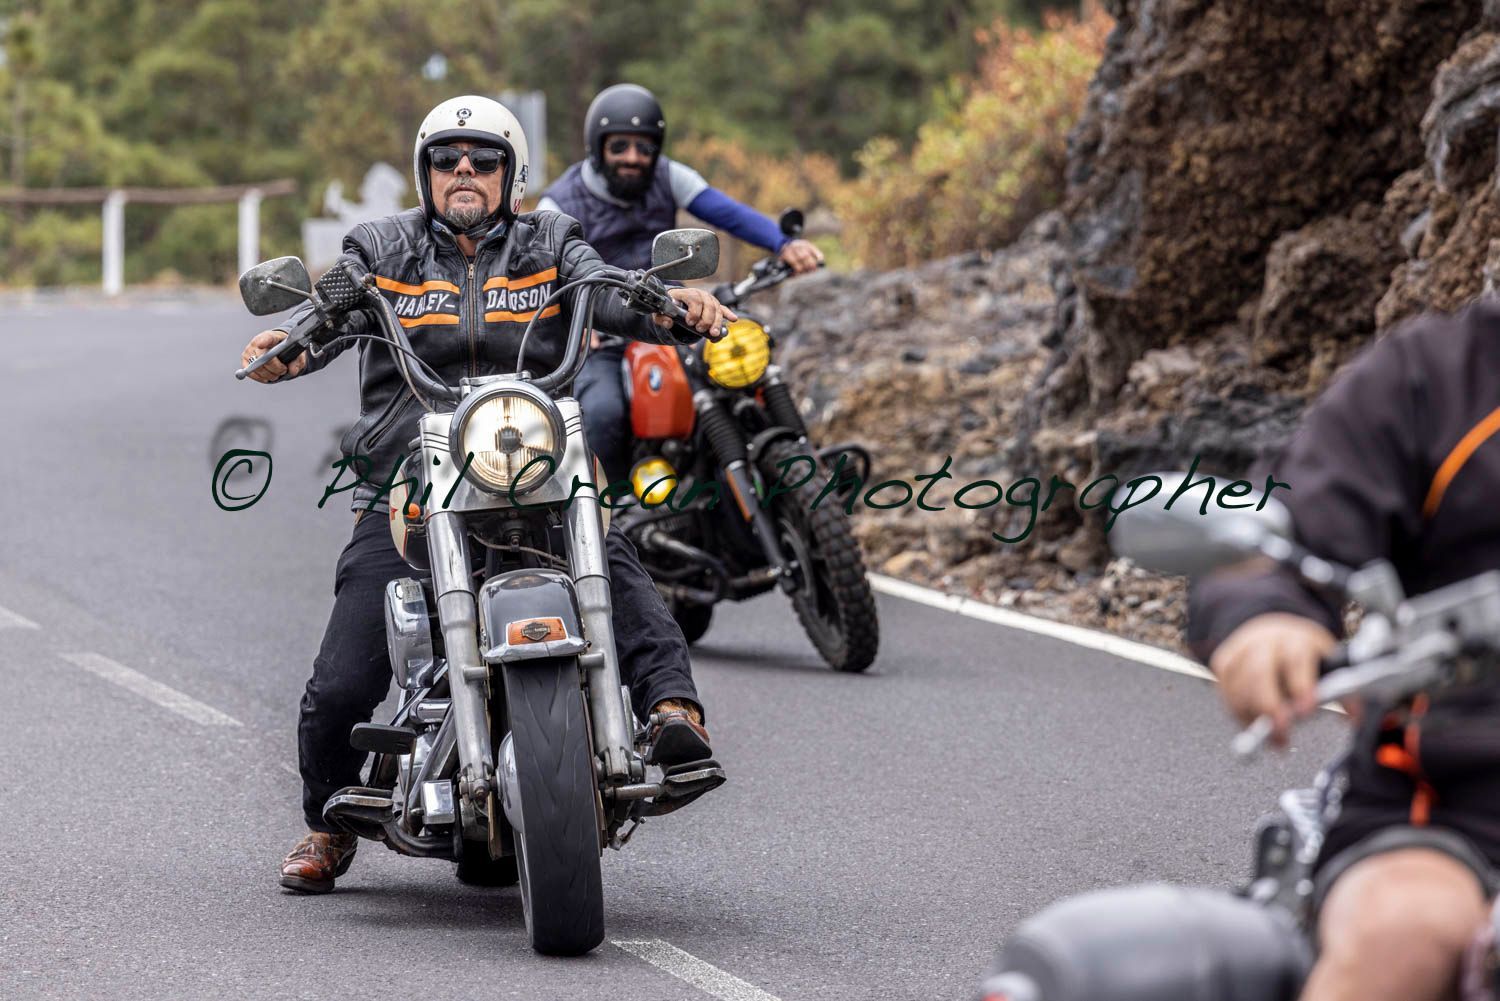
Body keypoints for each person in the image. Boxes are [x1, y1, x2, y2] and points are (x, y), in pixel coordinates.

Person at [237, 95, 737, 894]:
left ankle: (674, 713)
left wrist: (678, 307)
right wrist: (287, 343)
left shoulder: (552, 241)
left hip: (536, 470)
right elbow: (332, 309)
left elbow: (608, 288)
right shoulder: (382, 247)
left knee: (612, 559)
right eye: (446, 159)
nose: (463, 171)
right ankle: (326, 823)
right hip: (411, 476)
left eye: (482, 159)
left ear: (511, 173)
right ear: (425, 172)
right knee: (342, 677)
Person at [1189, 301, 1500, 1001]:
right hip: (1457, 811)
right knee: (1402, 935)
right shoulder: (1439, 378)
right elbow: (1285, 525)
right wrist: (1268, 614)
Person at [536, 83, 824, 482]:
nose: (633, 158)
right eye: (619, 146)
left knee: (749, 365)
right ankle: (612, 518)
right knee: (603, 412)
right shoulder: (558, 205)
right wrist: (576, 323)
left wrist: (784, 244)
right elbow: (542, 273)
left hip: (672, 314)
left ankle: (804, 472)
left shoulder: (669, 176)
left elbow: (727, 212)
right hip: (602, 331)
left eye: (645, 147)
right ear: (596, 147)